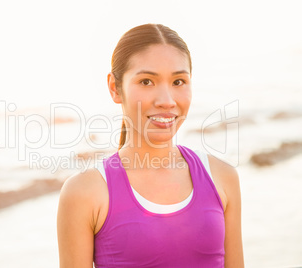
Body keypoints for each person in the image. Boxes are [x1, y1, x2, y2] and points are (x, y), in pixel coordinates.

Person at [57, 23, 244, 268]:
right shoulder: (84, 192)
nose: (166, 101)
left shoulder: (222, 176)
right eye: (146, 82)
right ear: (115, 88)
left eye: (178, 82)